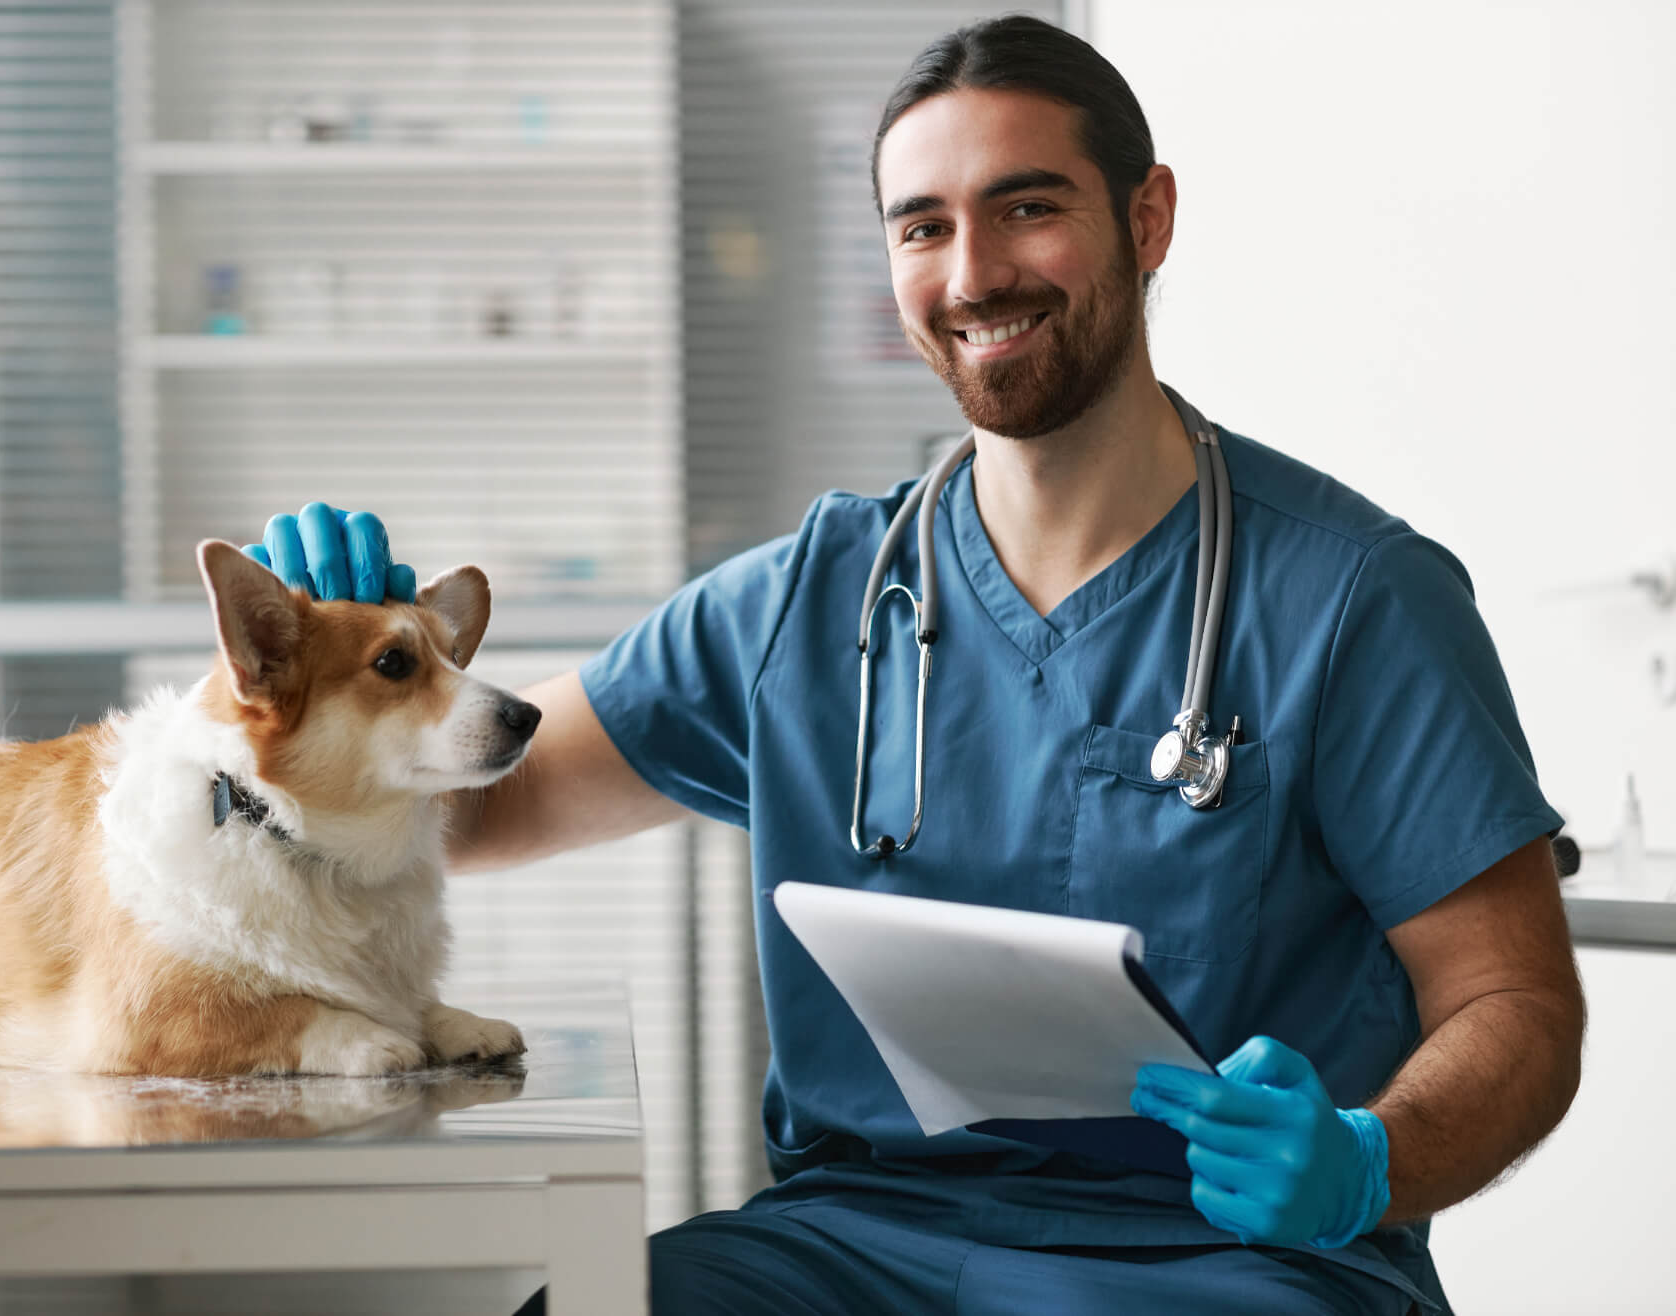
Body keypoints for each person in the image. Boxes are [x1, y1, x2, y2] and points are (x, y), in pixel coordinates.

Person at [247, 15, 1581, 1314]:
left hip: (1231, 1264)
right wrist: (351, 686)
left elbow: (1512, 1000)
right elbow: (481, 808)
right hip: (852, 1247)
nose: (973, 272)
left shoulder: (1353, 599)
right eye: (922, 226)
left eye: (1027, 207)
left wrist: (1367, 1162)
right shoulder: (802, 602)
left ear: (1146, 219)